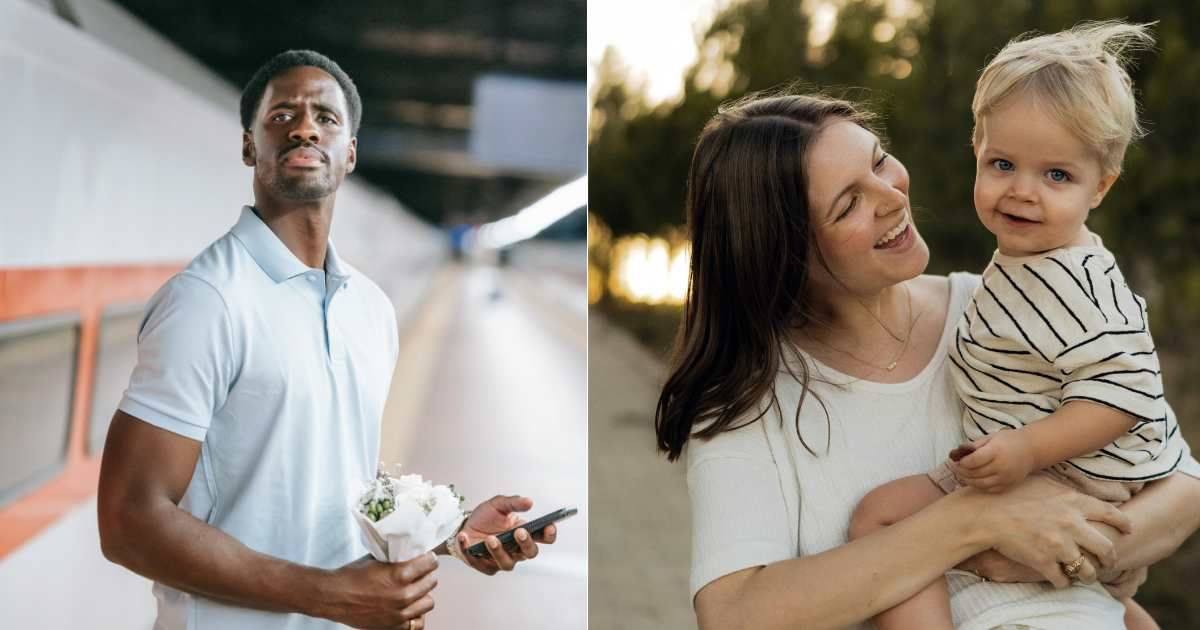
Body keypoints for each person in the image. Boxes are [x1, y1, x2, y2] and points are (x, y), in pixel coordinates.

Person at [653, 90, 1200, 629]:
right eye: (849, 204)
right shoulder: (744, 401)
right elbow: (733, 614)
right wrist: (976, 517)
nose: (891, 196)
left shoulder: (1002, 310)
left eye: (879, 161)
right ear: (783, 254)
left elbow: (1180, 484)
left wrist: (1067, 558)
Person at [97, 50, 556, 630]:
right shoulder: (207, 300)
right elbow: (126, 521)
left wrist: (447, 529)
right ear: (248, 146)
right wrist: (329, 596)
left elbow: (330, 483)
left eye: (326, 118)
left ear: (351, 154)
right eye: (282, 115)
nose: (306, 126)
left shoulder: (370, 309)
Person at [847, 22, 1181, 630]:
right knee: (882, 516)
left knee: (885, 521)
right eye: (1003, 164)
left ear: (1100, 186)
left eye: (1057, 176)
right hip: (1030, 461)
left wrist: (1028, 449)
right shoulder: (1028, 260)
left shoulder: (1079, 281)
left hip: (1069, 477)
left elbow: (1126, 397)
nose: (1023, 192)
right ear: (976, 152)